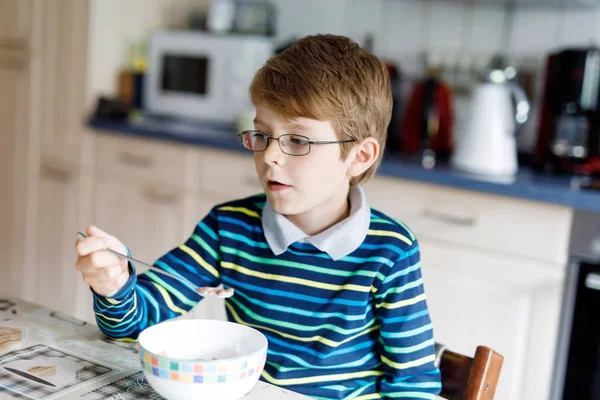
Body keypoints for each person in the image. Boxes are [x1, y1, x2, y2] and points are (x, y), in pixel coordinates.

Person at [75, 34, 442, 399]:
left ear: (359, 156)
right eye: (263, 135)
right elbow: (134, 324)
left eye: (298, 141)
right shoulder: (229, 228)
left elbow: (414, 384)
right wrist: (114, 286)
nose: (270, 158)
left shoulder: (390, 251)